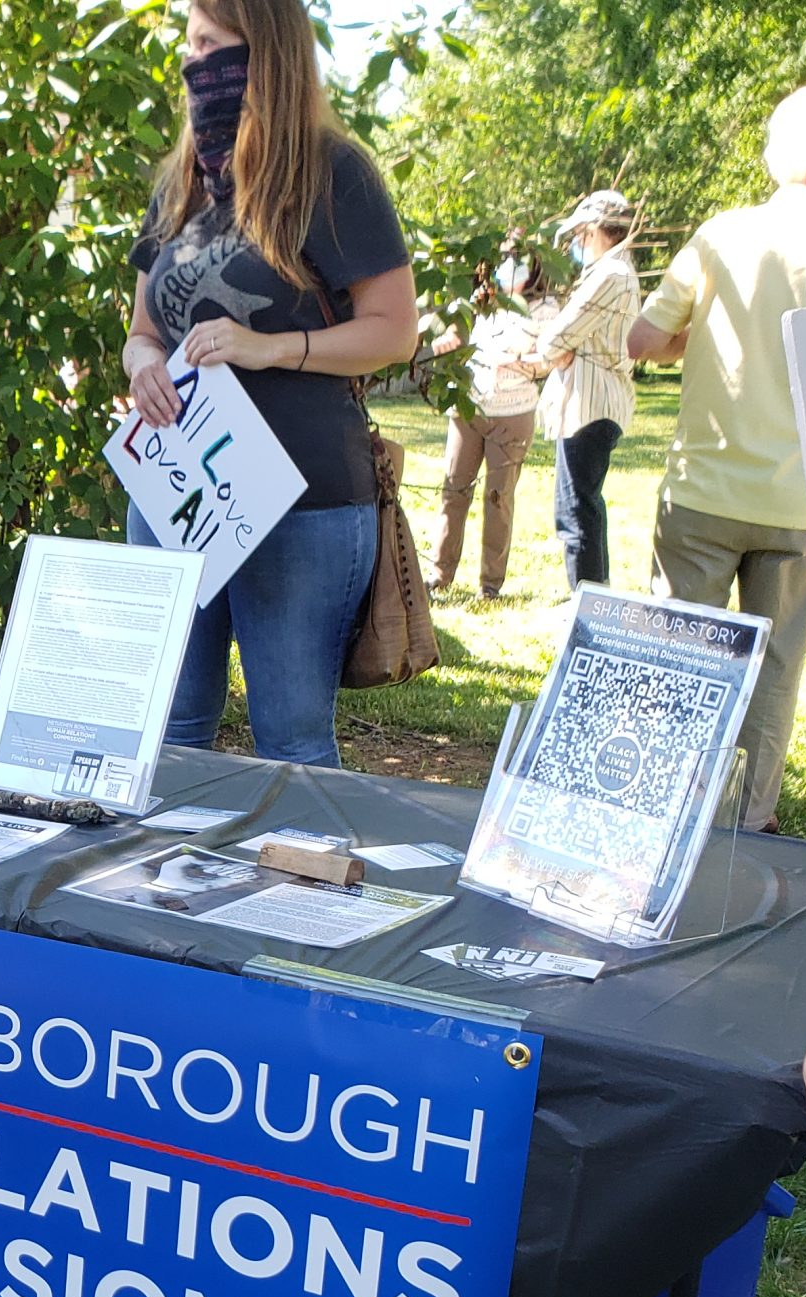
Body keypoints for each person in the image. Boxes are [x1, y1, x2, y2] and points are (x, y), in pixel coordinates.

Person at [120, 0, 417, 768]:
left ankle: (302, 888)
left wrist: (269, 347)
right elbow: (141, 332)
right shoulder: (180, 181)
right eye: (190, 45)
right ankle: (168, 887)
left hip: (301, 503)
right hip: (176, 487)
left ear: (266, 54)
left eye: (212, 45)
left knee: (291, 740)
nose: (194, 65)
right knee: (171, 731)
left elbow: (393, 329)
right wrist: (143, 366)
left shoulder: (332, 171)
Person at [629, 84, 806, 834]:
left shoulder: (724, 233)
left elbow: (642, 343)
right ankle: (748, 821)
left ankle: (665, 807)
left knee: (678, 659)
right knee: (777, 668)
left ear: (776, 153)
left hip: (705, 489)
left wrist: (698, 338)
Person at [528, 189, 640, 590]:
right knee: (583, 507)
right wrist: (556, 352)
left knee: (576, 511)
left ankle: (586, 603)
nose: (575, 243)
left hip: (590, 405)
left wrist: (552, 350)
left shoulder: (611, 274)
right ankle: (594, 595)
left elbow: (558, 337)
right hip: (585, 402)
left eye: (579, 233)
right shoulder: (610, 272)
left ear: (596, 229)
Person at [431, 260, 551, 600]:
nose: (510, 264)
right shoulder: (478, 302)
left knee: (498, 499)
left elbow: (550, 358)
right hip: (468, 408)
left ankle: (490, 586)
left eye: (518, 257)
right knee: (454, 490)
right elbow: (457, 334)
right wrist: (446, 340)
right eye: (504, 256)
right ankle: (440, 575)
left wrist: (517, 361)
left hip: (512, 413)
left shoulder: (545, 308)